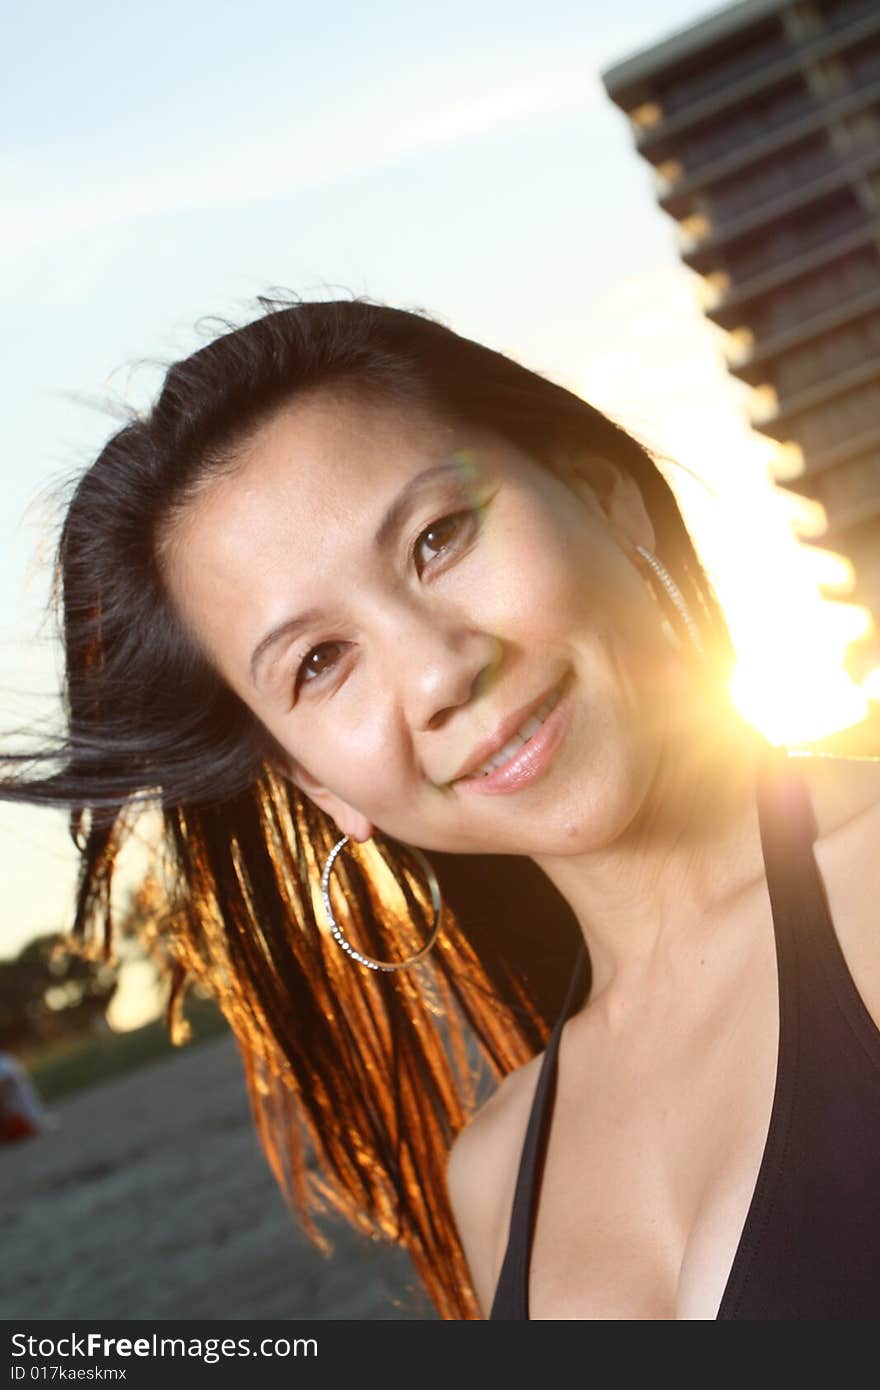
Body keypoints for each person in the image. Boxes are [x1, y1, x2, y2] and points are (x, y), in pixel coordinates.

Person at [1, 294, 878, 1319]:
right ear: (316, 786)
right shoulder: (496, 1176)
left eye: (439, 537)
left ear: (604, 500)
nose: (436, 675)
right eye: (320, 663)